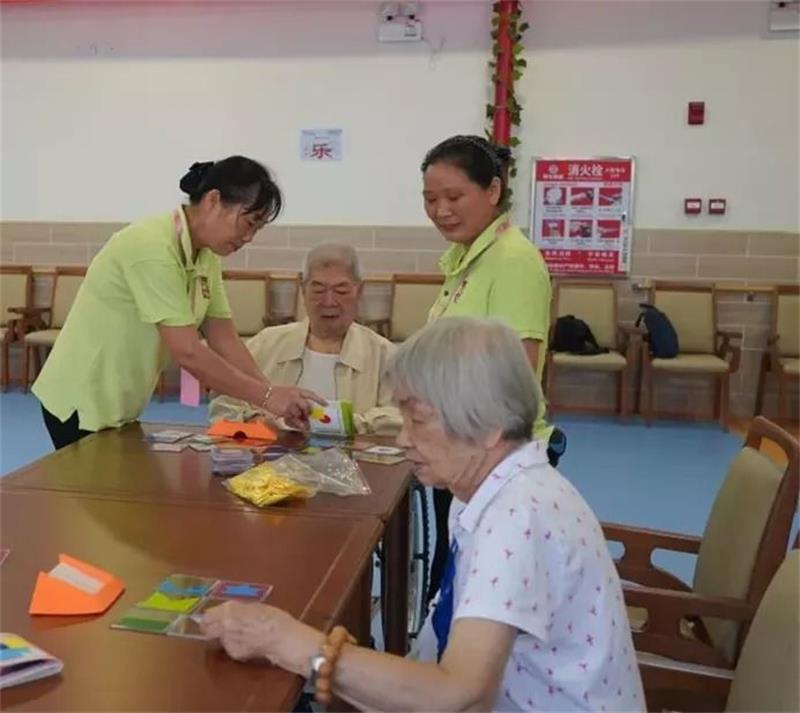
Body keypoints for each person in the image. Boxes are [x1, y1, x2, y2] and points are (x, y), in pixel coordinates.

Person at [201, 318, 644, 712]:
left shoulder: (518, 516)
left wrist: (290, 643)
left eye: (419, 420)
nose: (404, 440)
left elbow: (459, 695)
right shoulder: (494, 490)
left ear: (489, 426)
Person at [32, 156, 323, 450]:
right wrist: (267, 396)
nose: (248, 237)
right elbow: (188, 352)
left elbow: (224, 337)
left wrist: (271, 398)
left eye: (257, 229)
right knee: (91, 491)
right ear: (213, 201)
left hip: (118, 399)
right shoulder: (152, 246)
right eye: (247, 223)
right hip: (81, 398)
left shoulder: (205, 255)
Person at [421, 134, 566, 604]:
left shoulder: (514, 261)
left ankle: (451, 673)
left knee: (476, 593)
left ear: (493, 191)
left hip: (493, 457)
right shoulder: (467, 258)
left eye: (453, 197)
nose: (441, 210)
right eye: (430, 199)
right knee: (452, 576)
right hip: (460, 447)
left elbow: (516, 374)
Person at [209, 244, 401, 435]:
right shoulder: (266, 343)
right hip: (271, 460)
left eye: (341, 291)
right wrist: (259, 423)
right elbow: (224, 404)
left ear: (359, 291)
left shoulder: (385, 355)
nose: (329, 302)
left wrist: (342, 424)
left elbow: (399, 416)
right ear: (303, 289)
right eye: (318, 290)